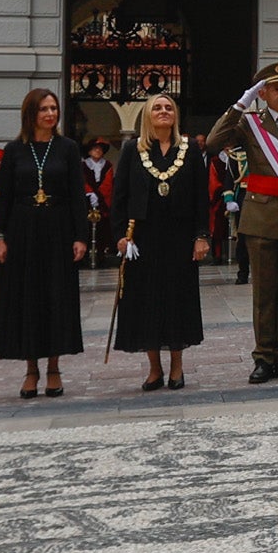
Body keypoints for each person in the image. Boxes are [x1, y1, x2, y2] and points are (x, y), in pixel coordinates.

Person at [200, 61, 278, 384]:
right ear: (264, 93)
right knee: (264, 293)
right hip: (261, 220)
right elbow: (214, 144)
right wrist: (241, 103)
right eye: (276, 89)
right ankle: (263, 356)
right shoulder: (249, 124)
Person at [106, 90, 211, 388]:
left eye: (168, 107)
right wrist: (119, 238)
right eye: (157, 108)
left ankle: (177, 366)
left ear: (175, 115)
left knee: (177, 299)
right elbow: (119, 197)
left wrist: (201, 235)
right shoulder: (132, 150)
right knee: (146, 302)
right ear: (148, 116)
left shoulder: (189, 150)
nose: (163, 111)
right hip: (143, 238)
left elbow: (200, 197)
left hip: (179, 236)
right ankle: (154, 368)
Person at [0, 87, 88, 400]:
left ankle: (54, 367)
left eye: (53, 108)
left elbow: (77, 195)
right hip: (22, 231)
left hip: (58, 229)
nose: (50, 114)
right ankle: (31, 369)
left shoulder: (68, 148)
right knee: (28, 299)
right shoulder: (15, 149)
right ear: (31, 113)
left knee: (56, 297)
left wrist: (80, 236)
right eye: (44, 109)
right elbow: (3, 198)